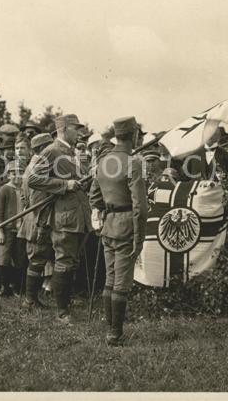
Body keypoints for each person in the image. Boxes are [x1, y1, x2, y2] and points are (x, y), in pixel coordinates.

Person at [89, 116, 148, 346]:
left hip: (109, 224)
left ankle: (111, 329)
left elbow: (94, 196)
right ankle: (115, 334)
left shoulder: (104, 161)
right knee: (122, 281)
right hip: (126, 226)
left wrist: (103, 212)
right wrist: (139, 237)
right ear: (133, 135)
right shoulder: (133, 163)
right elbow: (140, 207)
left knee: (110, 278)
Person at [28, 114, 92, 323]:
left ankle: (64, 302)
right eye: (77, 128)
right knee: (63, 260)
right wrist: (65, 185)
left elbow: (79, 181)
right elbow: (34, 179)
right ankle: (62, 312)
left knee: (71, 260)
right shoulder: (52, 150)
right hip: (64, 216)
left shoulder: (71, 152)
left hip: (78, 215)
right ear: (64, 128)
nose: (80, 133)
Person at [18, 133, 56, 308]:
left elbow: (24, 197)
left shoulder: (31, 166)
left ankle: (31, 299)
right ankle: (30, 300)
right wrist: (41, 224)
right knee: (38, 258)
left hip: (31, 219)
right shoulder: (38, 168)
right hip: (38, 220)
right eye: (49, 147)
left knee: (37, 258)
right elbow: (38, 201)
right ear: (42, 149)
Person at [0, 161, 24, 297]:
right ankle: (4, 287)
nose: (17, 176)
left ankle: (16, 286)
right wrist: (0, 231)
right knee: (4, 257)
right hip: (7, 229)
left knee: (19, 258)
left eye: (20, 173)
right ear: (9, 175)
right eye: (13, 173)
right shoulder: (4, 190)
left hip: (21, 229)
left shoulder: (24, 189)